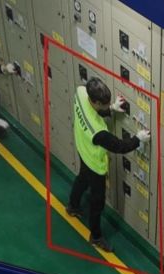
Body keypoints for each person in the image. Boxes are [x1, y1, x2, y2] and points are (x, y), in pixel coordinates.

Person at [67, 77, 151, 252]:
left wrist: (111, 108)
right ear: (96, 102)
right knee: (97, 201)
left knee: (82, 179)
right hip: (94, 163)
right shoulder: (98, 132)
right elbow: (120, 146)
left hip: (82, 147)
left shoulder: (81, 92)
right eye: (104, 105)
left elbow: (92, 111)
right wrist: (138, 139)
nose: (105, 106)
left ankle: (72, 206)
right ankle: (96, 236)